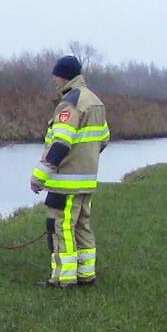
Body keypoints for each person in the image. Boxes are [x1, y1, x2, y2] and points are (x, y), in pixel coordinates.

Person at [30, 55, 109, 287]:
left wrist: (40, 175)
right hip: (87, 179)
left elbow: (61, 143)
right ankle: (86, 274)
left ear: (63, 75)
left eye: (55, 75)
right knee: (82, 225)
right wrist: (87, 158)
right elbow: (103, 139)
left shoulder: (70, 102)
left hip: (66, 180)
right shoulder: (95, 101)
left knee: (61, 226)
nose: (54, 80)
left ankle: (63, 277)